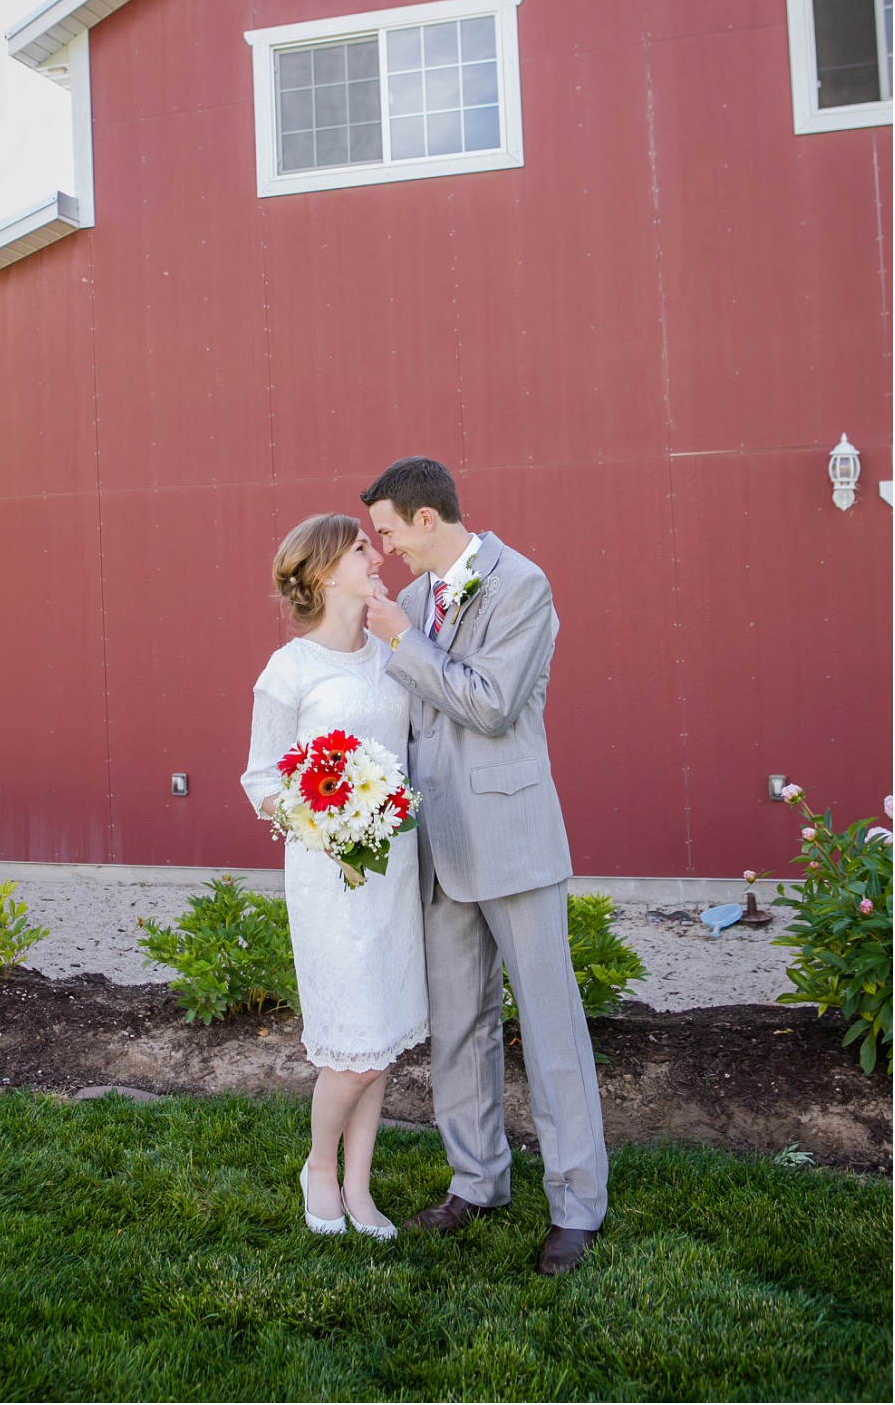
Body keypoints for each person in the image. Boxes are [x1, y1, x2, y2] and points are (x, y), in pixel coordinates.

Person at [361, 456, 607, 1276]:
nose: (385, 547)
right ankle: (478, 1179)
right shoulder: (408, 599)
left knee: (550, 1027)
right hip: (435, 843)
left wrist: (403, 643)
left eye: (388, 531)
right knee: (457, 1026)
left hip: (512, 835)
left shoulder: (521, 584)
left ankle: (576, 1205)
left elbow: (492, 704)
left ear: (426, 520)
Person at [241, 513, 429, 1240]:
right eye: (359, 549)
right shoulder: (289, 669)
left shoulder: (391, 649)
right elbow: (261, 775)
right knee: (350, 1044)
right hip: (329, 874)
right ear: (322, 573)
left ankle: (359, 1186)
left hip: (392, 865)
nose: (375, 555)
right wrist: (319, 824)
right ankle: (319, 1164)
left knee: (377, 1038)